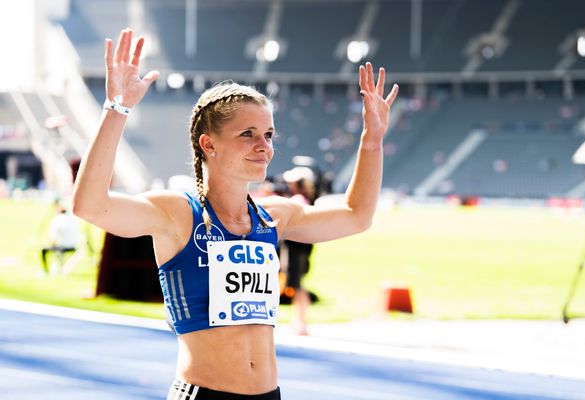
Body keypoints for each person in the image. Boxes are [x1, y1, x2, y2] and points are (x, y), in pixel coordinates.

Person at [72, 28, 398, 400]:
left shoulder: (273, 217)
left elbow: (357, 215)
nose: (264, 147)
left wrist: (371, 140)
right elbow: (90, 205)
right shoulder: (177, 213)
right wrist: (117, 108)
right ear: (208, 144)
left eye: (269, 135)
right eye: (248, 134)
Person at [280, 166, 317, 335]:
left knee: (297, 285)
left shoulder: (298, 200)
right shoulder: (309, 198)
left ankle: (301, 322)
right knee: (297, 285)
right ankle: (299, 320)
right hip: (303, 248)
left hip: (296, 249)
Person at [41, 201, 80, 275]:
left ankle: (46, 271)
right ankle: (58, 267)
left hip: (62, 246)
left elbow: (53, 238)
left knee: (44, 250)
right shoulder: (73, 219)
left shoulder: (56, 220)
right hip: (74, 246)